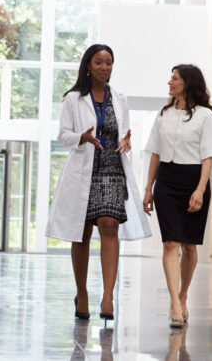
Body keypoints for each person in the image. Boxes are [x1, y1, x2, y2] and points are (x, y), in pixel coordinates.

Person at [47, 44, 151, 321]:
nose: (104, 67)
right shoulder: (73, 98)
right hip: (83, 169)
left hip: (111, 168)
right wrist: (81, 137)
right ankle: (82, 293)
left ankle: (107, 297)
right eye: (99, 62)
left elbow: (124, 133)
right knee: (81, 233)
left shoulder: (120, 97)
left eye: (109, 62)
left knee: (109, 225)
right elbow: (63, 135)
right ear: (88, 66)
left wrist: (127, 141)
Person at [143, 64, 212, 328]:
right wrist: (148, 188)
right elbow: (155, 151)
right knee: (169, 244)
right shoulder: (163, 114)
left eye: (174, 78)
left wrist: (200, 189)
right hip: (166, 181)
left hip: (193, 180)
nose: (169, 82)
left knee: (189, 246)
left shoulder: (205, 116)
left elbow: (208, 156)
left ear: (187, 83)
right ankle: (174, 305)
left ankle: (183, 295)